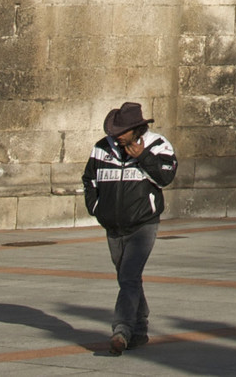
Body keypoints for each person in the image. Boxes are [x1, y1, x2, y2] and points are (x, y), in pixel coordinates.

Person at [82, 101, 178, 356]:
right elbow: (89, 179)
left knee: (128, 277)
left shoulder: (157, 145)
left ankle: (121, 331)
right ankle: (140, 329)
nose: (116, 136)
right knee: (128, 278)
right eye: (114, 131)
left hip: (143, 224)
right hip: (113, 225)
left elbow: (166, 177)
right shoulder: (102, 148)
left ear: (136, 129)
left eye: (121, 131)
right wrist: (96, 207)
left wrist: (143, 157)